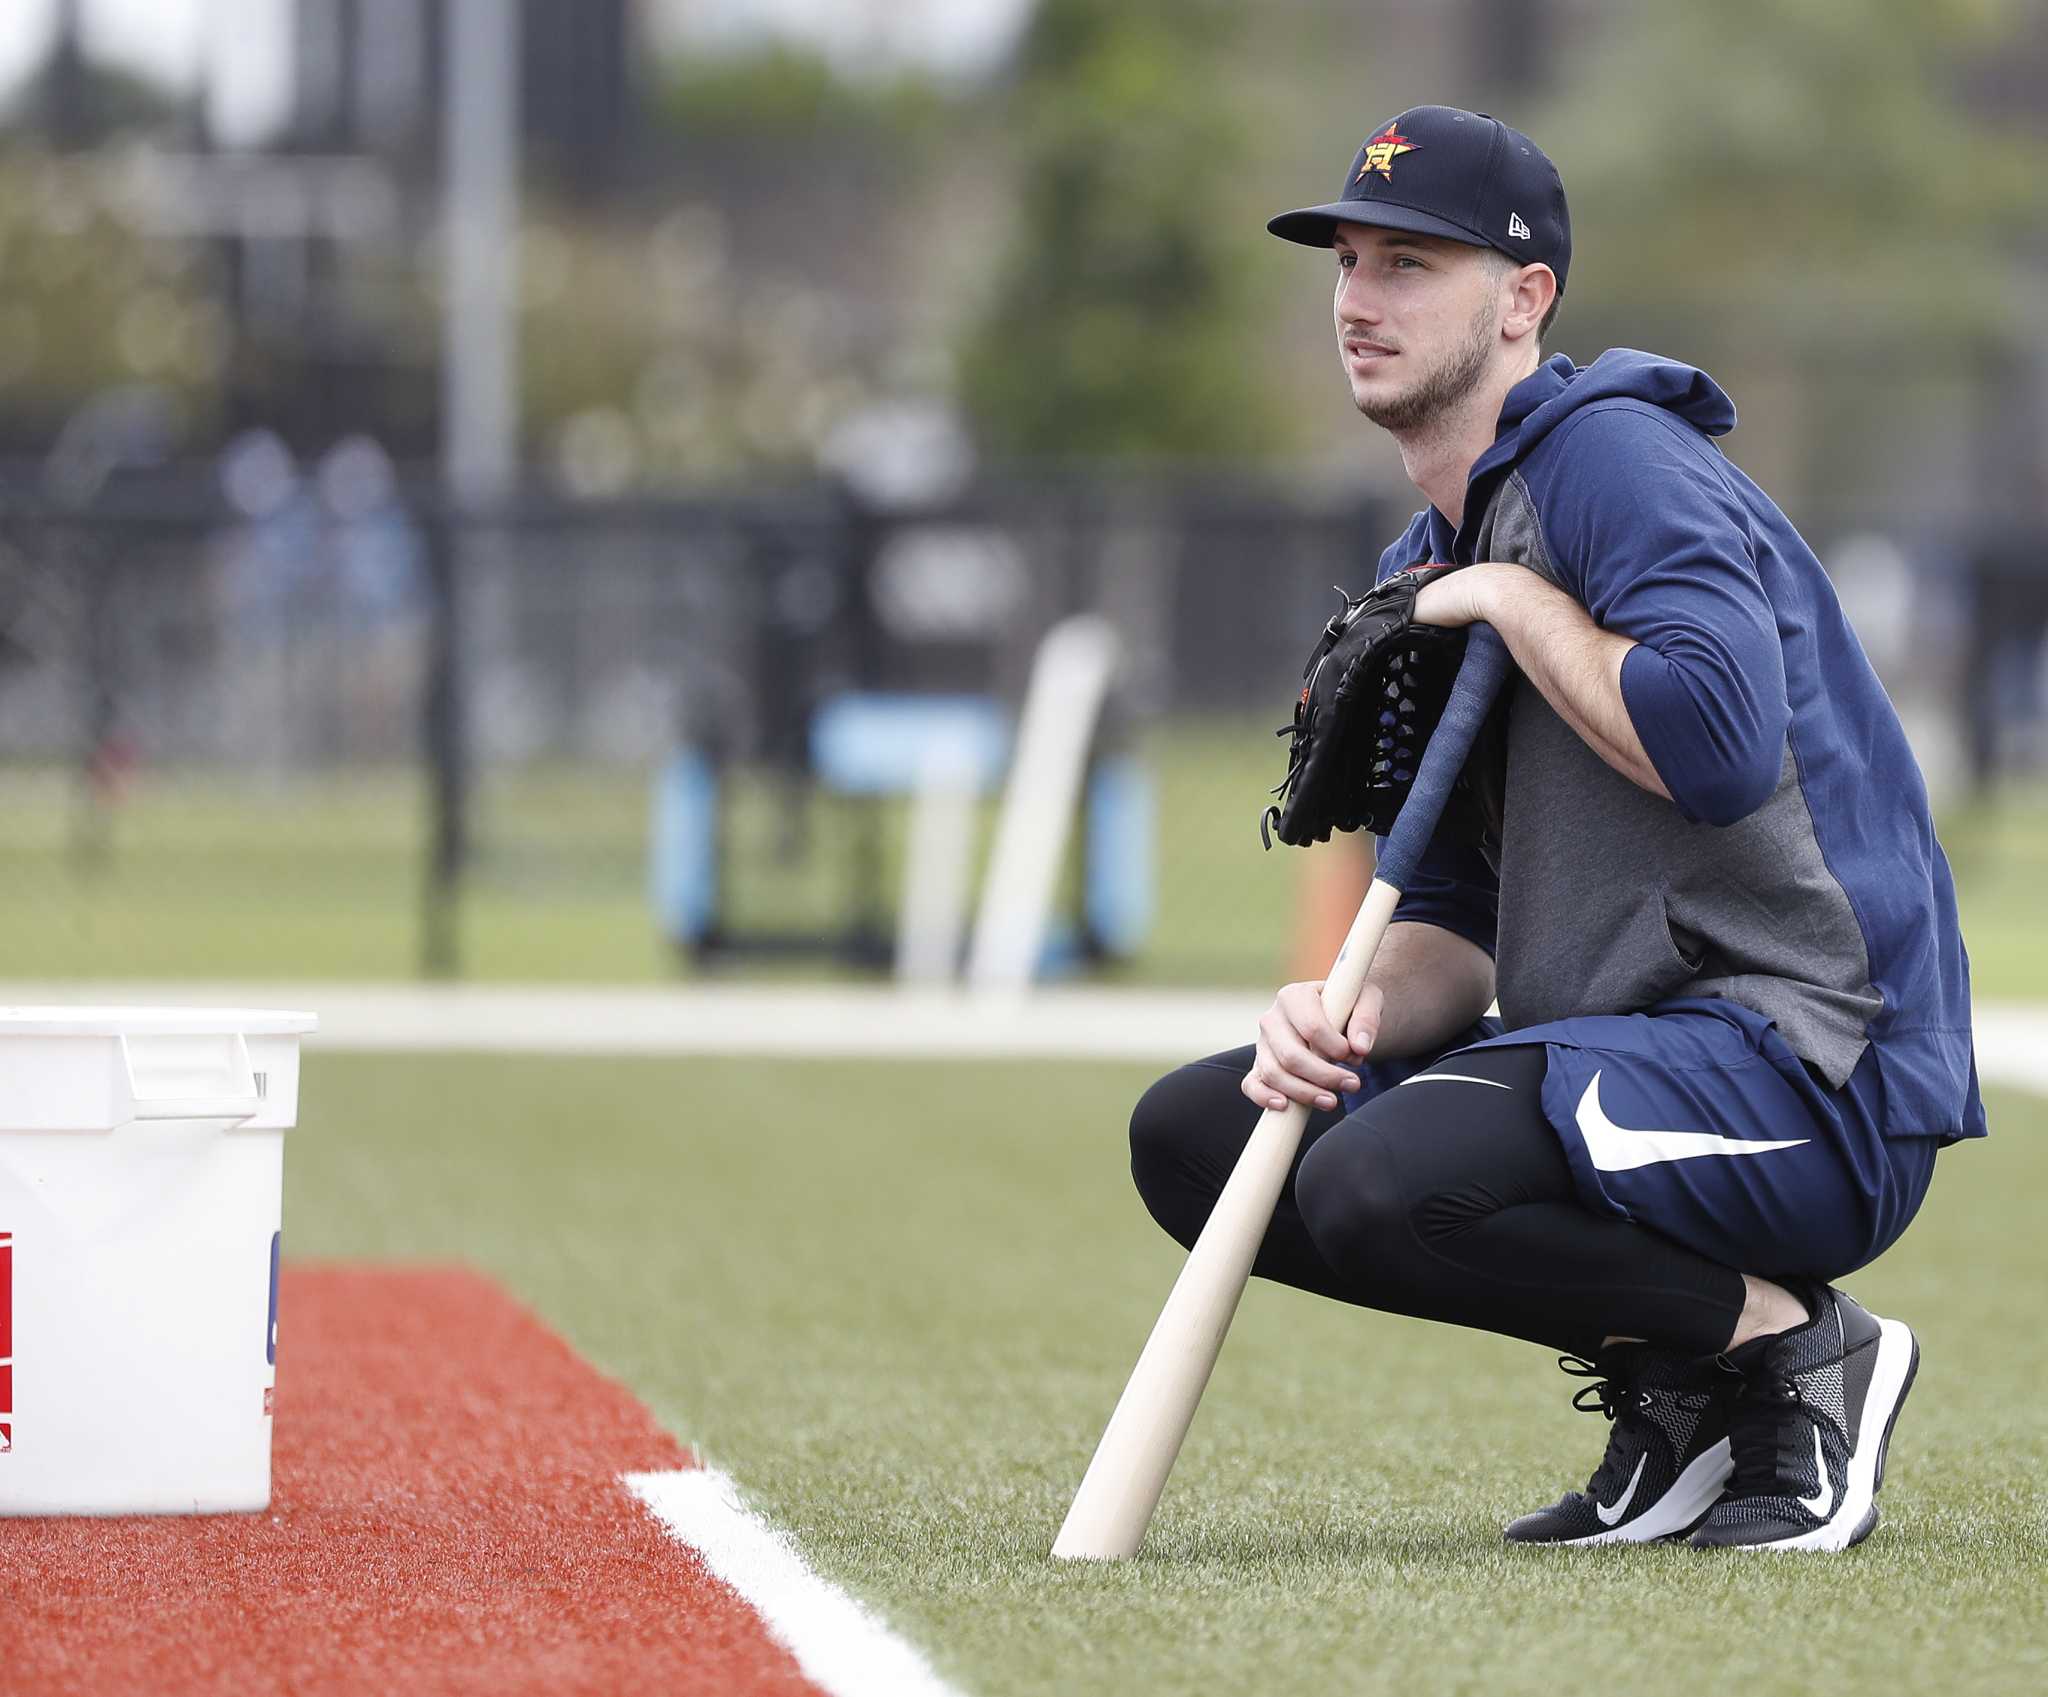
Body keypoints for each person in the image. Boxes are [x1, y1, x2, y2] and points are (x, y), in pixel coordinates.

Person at [1128, 105, 1984, 1551]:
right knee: (1207, 1134)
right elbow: (1457, 923)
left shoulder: (1614, 465)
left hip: (1819, 1070)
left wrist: (1520, 608)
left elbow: (1714, 749)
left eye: (1410, 262)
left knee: (1386, 1173)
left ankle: (1794, 1353)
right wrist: (1338, 1015)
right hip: (1634, 1066)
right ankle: (1687, 1389)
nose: (1357, 299)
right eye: (1346, 260)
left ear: (1524, 300)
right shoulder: (1430, 553)